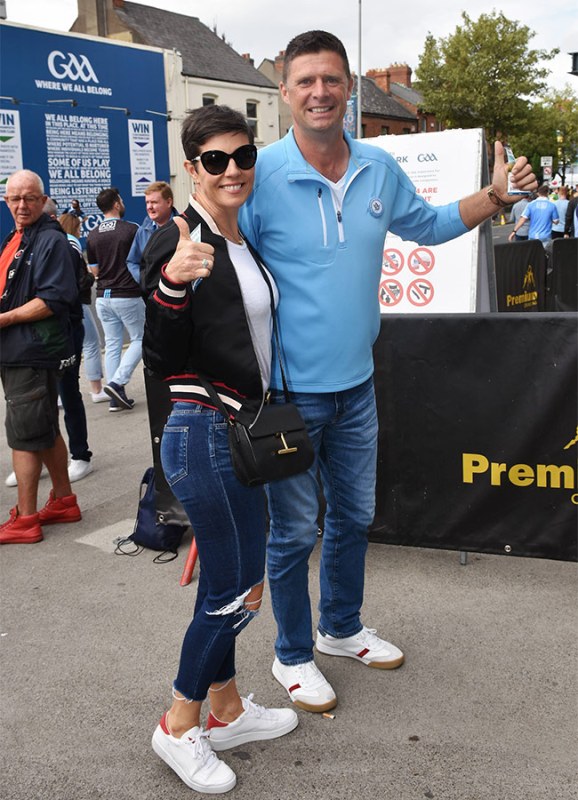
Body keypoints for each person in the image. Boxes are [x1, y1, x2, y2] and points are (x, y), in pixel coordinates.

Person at [233, 30, 536, 712]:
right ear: (285, 92)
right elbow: (223, 261)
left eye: (331, 80)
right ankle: (292, 654)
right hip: (286, 396)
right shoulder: (260, 175)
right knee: (292, 533)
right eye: (305, 81)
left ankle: (340, 627)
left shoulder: (376, 166)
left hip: (357, 387)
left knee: (355, 517)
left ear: (348, 87)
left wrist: (494, 198)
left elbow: (427, 226)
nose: (319, 92)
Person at [142, 105, 298, 794]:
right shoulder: (180, 238)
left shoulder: (240, 240)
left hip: (241, 435)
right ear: (191, 166)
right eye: (215, 159)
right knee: (237, 592)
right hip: (203, 434)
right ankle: (180, 721)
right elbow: (159, 354)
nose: (232, 169)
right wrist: (174, 283)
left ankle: (227, 707)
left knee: (228, 582)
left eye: (243, 155)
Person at [0, 170, 82, 544]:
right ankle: (64, 500)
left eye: (29, 198)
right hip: (22, 348)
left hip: (30, 350)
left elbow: (53, 299)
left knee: (24, 435)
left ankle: (26, 518)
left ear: (42, 199)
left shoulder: (50, 240)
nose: (21, 205)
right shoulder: (17, 238)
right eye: (14, 198)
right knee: (44, 426)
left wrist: (5, 318)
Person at [86, 188, 142, 412]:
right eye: (121, 199)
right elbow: (142, 259)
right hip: (127, 293)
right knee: (140, 339)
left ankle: (114, 397)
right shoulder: (132, 229)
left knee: (112, 345)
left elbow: (95, 270)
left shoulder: (92, 234)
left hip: (103, 296)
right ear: (117, 204)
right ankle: (117, 382)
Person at [126, 181, 178, 283]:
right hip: (152, 295)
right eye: (147, 202)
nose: (149, 207)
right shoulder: (142, 231)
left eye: (154, 202)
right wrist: (143, 280)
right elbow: (132, 261)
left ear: (169, 202)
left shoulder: (183, 227)